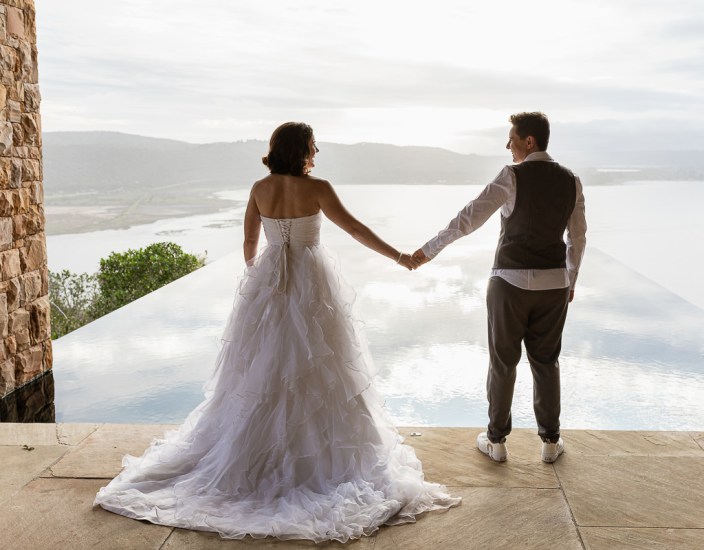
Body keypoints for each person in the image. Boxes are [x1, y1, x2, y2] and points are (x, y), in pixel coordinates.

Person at [94, 122, 460, 542]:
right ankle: (316, 459)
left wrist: (259, 281)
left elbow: (249, 242)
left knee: (263, 366)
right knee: (320, 364)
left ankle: (256, 455)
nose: (316, 152)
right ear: (301, 150)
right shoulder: (318, 188)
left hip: (270, 283)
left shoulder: (260, 188)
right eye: (313, 146)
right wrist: (399, 257)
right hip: (312, 283)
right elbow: (355, 229)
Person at [412, 112, 586, 464]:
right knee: (546, 362)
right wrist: (571, 278)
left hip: (509, 283)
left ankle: (497, 441)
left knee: (503, 362)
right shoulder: (572, 181)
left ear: (529, 141)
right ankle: (550, 442)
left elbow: (469, 217)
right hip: (554, 285)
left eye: (512, 139)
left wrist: (427, 251)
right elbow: (577, 238)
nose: (508, 145)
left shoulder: (511, 176)